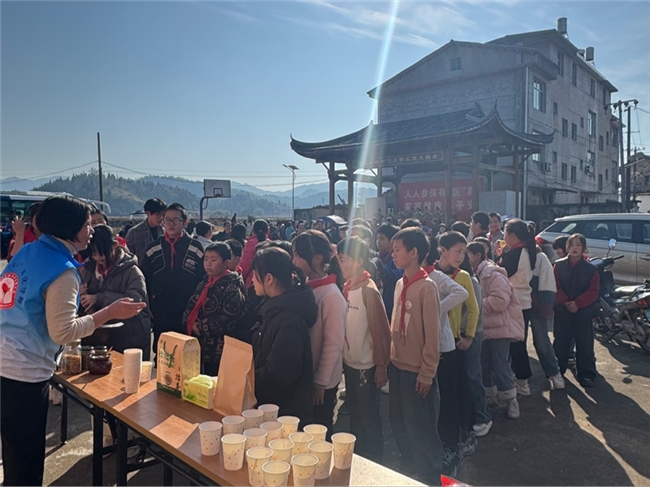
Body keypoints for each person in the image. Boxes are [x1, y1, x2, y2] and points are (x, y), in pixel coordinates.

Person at [0, 196, 146, 486]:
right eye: (86, 224)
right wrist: (108, 312)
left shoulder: (28, 251)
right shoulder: (62, 271)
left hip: (6, 361)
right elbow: (63, 332)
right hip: (25, 371)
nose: (91, 230)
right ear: (69, 228)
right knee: (26, 466)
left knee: (14, 455)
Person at [389, 227, 442, 485]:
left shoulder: (427, 288)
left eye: (397, 250)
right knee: (398, 420)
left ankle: (429, 476)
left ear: (414, 253)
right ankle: (408, 467)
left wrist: (427, 372)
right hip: (397, 365)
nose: (393, 254)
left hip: (416, 370)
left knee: (419, 426)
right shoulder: (400, 283)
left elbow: (432, 336)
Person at [337, 237, 391, 463]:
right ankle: (358, 456)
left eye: (345, 260)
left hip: (366, 366)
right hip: (350, 363)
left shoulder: (369, 291)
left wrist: (381, 366)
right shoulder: (348, 287)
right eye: (339, 259)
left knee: (368, 416)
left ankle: (374, 459)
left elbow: (381, 332)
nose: (341, 264)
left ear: (359, 260)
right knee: (355, 413)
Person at [251, 247, 318, 425]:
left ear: (269, 278)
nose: (251, 280)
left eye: (255, 275)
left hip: (284, 417)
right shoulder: (274, 307)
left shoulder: (290, 320)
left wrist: (246, 380)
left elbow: (279, 374)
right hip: (272, 410)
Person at [292, 230, 346, 436]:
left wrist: (320, 383)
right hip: (308, 376)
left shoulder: (331, 296)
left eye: (298, 255)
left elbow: (333, 344)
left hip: (321, 382)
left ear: (316, 259)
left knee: (319, 432)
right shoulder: (308, 287)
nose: (294, 260)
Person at [466, 242, 525, 419]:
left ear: (477, 255)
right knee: (484, 364)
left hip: (499, 327)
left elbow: (500, 300)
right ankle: (490, 397)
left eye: (466, 254)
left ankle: (511, 400)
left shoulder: (492, 273)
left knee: (500, 365)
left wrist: (476, 305)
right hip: (484, 327)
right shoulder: (474, 273)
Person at [435, 231, 481, 462]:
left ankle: (460, 436)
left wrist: (469, 337)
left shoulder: (462, 276)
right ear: (443, 250)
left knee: (457, 391)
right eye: (458, 251)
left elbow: (473, 309)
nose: (462, 256)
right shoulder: (430, 273)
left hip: (455, 342)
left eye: (464, 252)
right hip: (434, 343)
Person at [140, 203, 206, 354]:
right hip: (160, 311)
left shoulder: (196, 247)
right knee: (163, 353)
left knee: (186, 353)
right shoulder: (153, 248)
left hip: (187, 310)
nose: (171, 223)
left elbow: (203, 279)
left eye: (176, 220)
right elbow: (144, 279)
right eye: (167, 220)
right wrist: (148, 306)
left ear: (185, 222)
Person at [79, 225, 151, 358]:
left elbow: (135, 302)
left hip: (129, 337)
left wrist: (98, 298)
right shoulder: (87, 270)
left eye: (102, 252)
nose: (97, 257)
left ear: (114, 245)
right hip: (97, 337)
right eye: (93, 253)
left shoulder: (132, 271)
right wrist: (79, 294)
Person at [182, 242, 247, 375]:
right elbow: (191, 304)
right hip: (198, 345)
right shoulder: (204, 282)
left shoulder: (232, 286)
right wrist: (190, 322)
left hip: (219, 350)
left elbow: (228, 318)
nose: (208, 264)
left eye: (213, 260)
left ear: (226, 263)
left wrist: (200, 327)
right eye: (206, 259)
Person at [553, 234, 600, 388]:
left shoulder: (591, 269)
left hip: (583, 312)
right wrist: (566, 302)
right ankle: (557, 372)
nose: (575, 248)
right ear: (567, 247)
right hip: (563, 310)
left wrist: (578, 303)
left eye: (578, 245)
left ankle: (586, 374)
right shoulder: (558, 266)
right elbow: (555, 286)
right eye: (572, 245)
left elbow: (593, 291)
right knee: (560, 343)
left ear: (584, 248)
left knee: (585, 344)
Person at [499, 219, 537, 396]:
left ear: (512, 235)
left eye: (505, 233)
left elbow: (500, 274)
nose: (504, 236)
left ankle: (522, 382)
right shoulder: (526, 251)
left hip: (515, 304)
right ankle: (521, 380)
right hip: (523, 303)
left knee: (515, 345)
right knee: (518, 343)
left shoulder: (515, 253)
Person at [125, 198, 166, 265]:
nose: (161, 217)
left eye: (163, 214)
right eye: (158, 214)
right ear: (148, 213)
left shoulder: (164, 232)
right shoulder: (134, 233)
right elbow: (128, 257)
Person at [375, 224, 403, 317]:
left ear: (392, 241)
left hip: (391, 303)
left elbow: (399, 275)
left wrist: (381, 267)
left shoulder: (398, 256)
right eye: (377, 238)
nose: (378, 242)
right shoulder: (377, 255)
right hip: (378, 301)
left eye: (382, 239)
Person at [240, 219, 269, 288]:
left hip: (252, 282)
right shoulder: (270, 243)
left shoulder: (251, 243)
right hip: (268, 282)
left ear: (253, 230)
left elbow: (245, 265)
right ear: (267, 231)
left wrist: (241, 278)